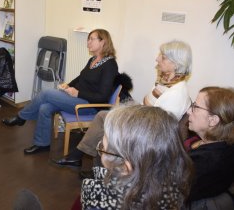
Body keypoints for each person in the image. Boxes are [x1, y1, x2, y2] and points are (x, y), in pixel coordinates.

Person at [54, 40, 192, 168]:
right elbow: (147, 101)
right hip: (146, 120)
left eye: (162, 56)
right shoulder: (166, 83)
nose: (157, 59)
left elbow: (156, 128)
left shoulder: (176, 93)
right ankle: (82, 159)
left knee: (106, 121)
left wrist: (131, 117)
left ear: (175, 63)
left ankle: (86, 161)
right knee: (103, 116)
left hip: (148, 132)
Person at [2, 29, 119, 155]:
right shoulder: (93, 60)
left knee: (46, 93)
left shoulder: (110, 65)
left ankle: (21, 117)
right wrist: (68, 85)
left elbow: (103, 96)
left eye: (92, 39)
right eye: (88, 39)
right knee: (44, 108)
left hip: (89, 106)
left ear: (103, 42)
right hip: (78, 99)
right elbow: (81, 77)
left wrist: (78, 93)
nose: (88, 42)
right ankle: (42, 144)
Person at [79, 105, 193, 209]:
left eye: (102, 147)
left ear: (125, 167)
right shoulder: (174, 190)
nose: (100, 149)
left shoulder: (97, 201)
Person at [185, 86, 234, 208]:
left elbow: (173, 193)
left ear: (212, 121)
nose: (188, 111)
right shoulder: (214, 141)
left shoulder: (207, 162)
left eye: (195, 107)